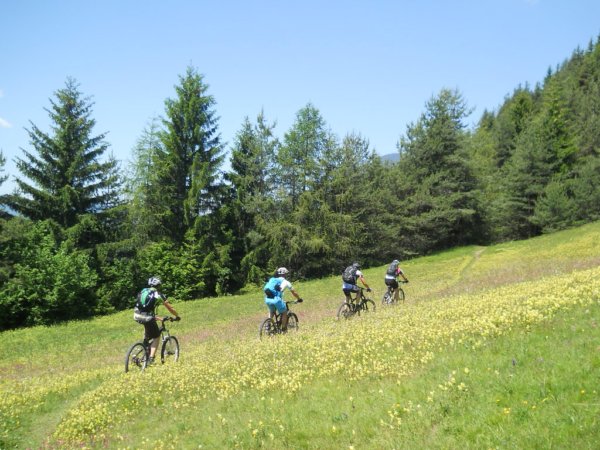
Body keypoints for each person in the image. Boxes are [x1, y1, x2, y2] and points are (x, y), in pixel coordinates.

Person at [133, 276, 180, 364]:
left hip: (136, 315)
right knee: (156, 336)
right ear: (158, 285)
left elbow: (144, 307)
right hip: (147, 317)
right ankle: (151, 358)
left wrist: (157, 317)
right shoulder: (158, 294)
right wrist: (177, 316)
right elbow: (170, 308)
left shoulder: (143, 290)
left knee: (148, 327)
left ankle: (143, 347)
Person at [263, 267, 303, 331]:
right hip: (276, 300)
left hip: (268, 299)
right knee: (284, 313)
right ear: (285, 274)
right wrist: (299, 298)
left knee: (272, 311)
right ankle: (284, 330)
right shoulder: (286, 282)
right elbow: (294, 292)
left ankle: (268, 325)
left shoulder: (272, 279)